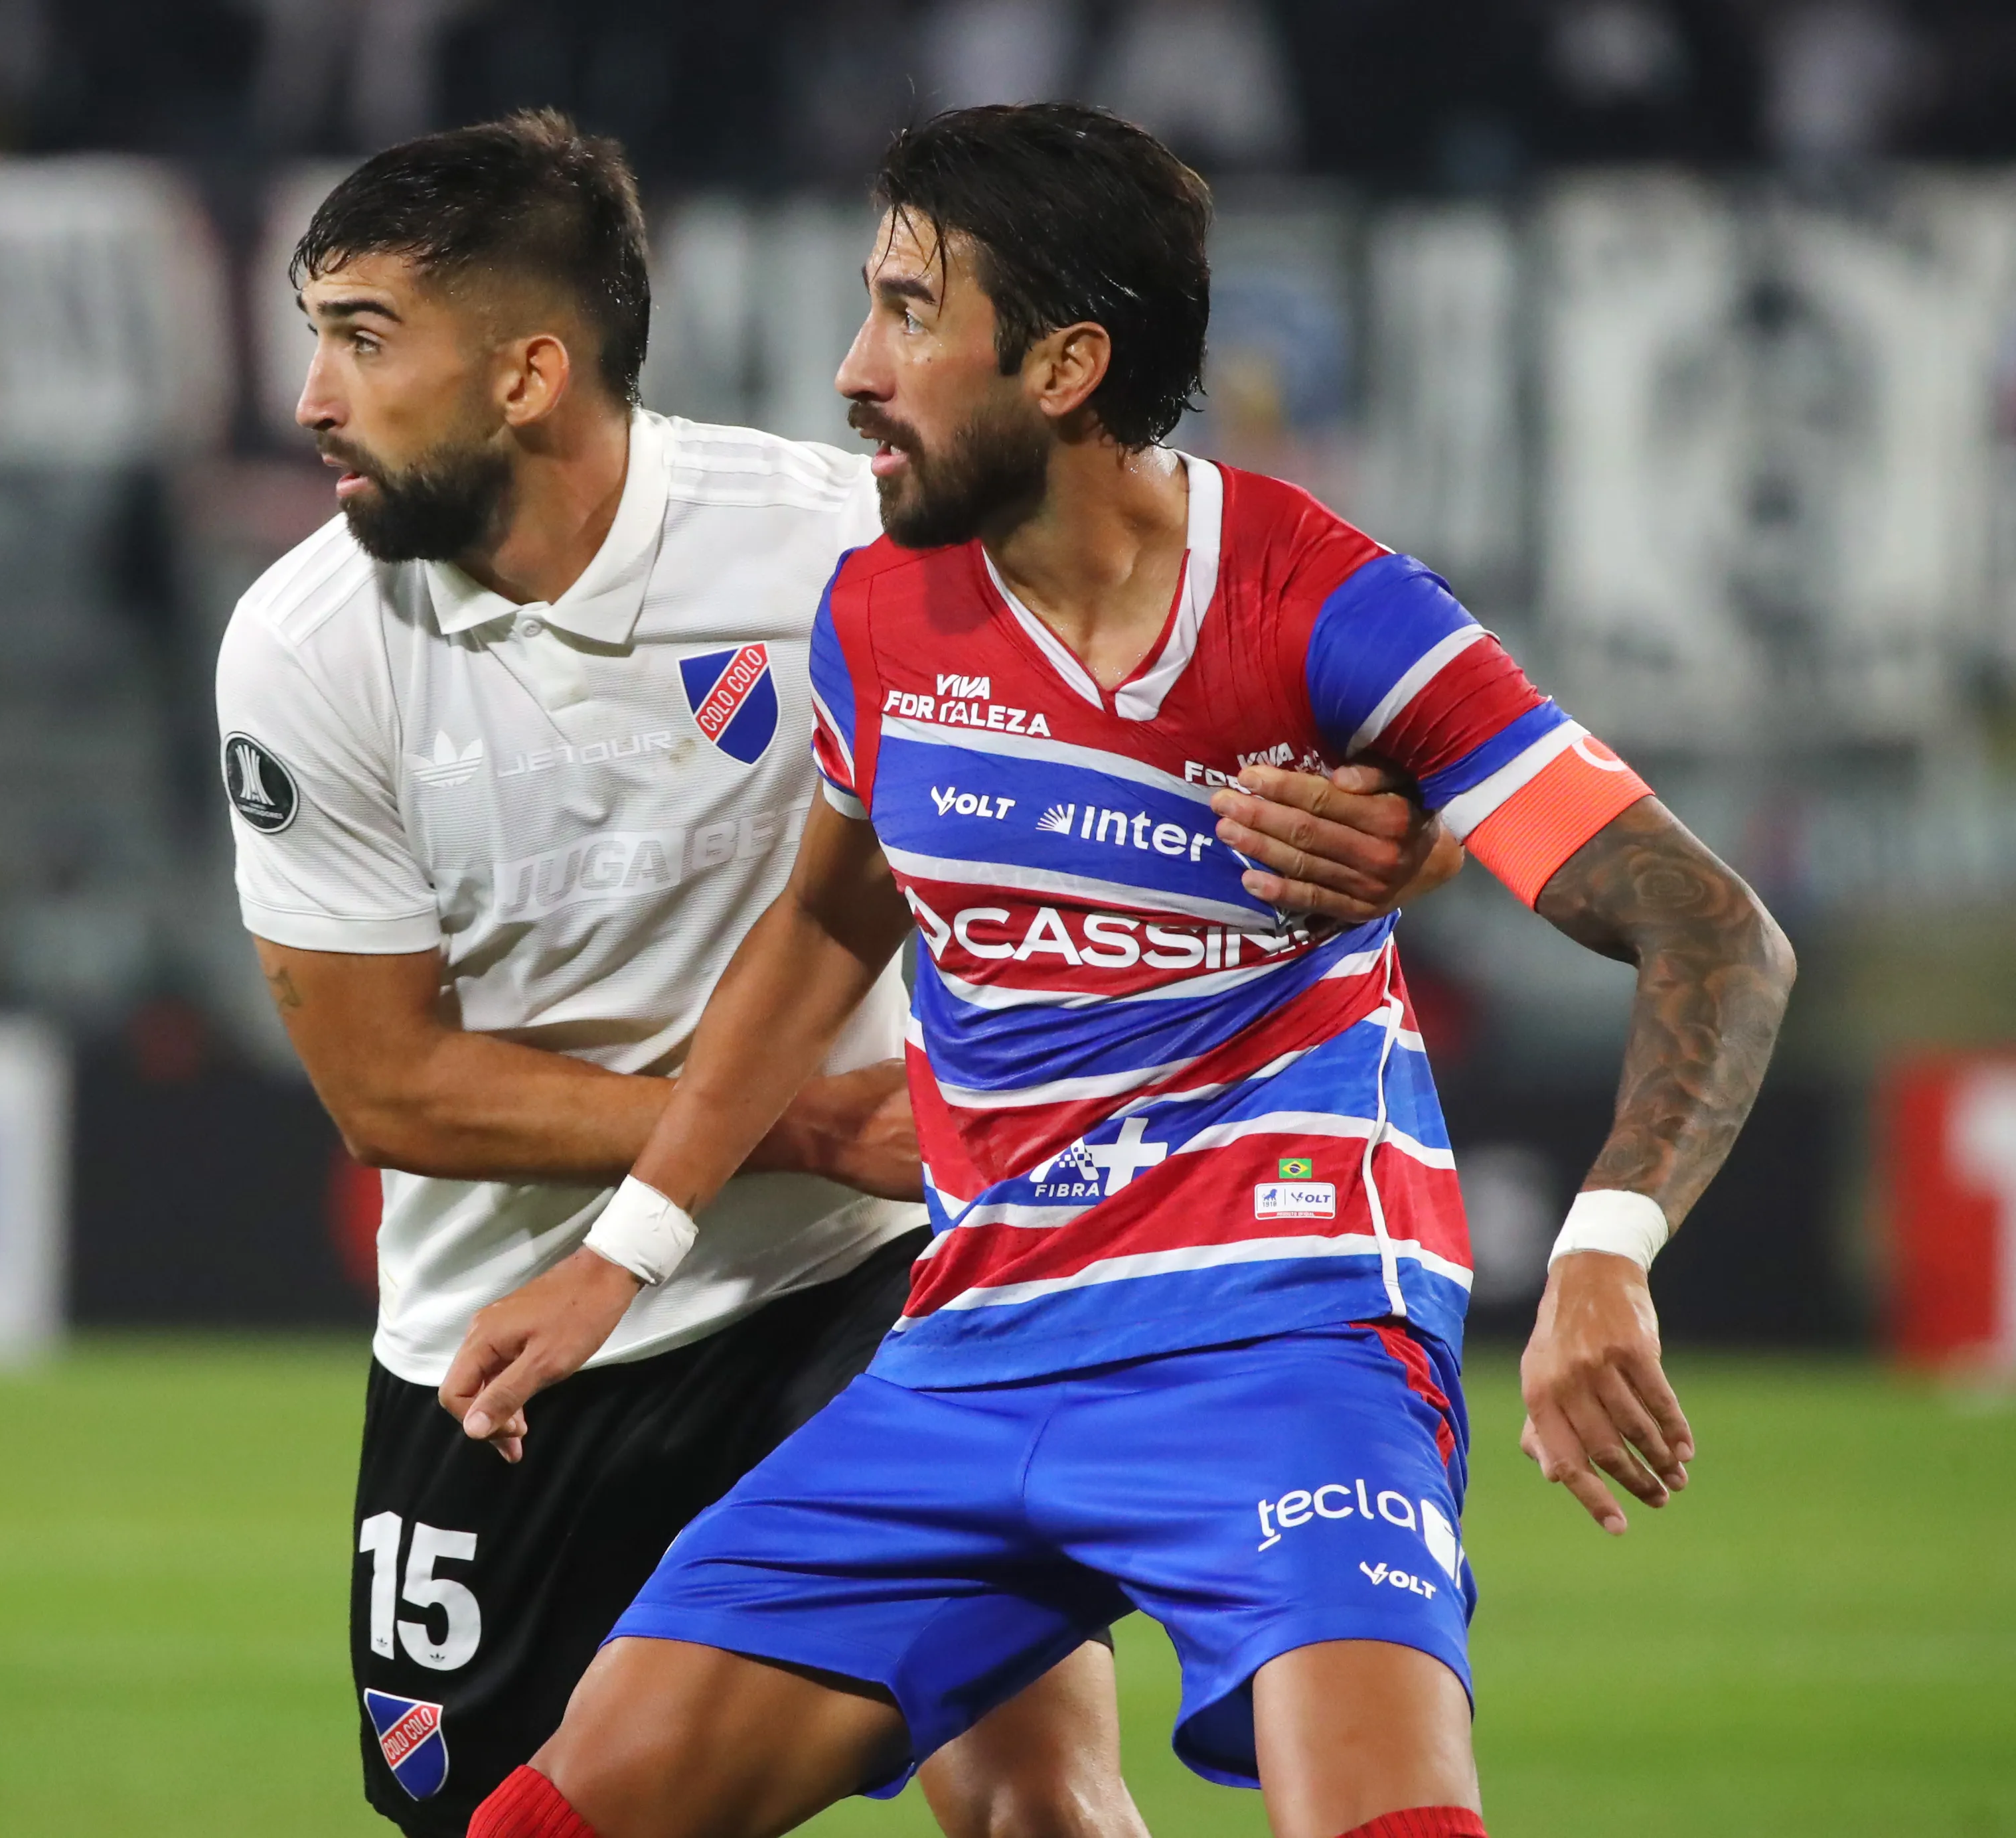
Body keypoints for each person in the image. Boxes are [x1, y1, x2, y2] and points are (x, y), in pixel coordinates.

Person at [445, 104, 1796, 1838]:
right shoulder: (880, 613)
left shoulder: (1326, 609)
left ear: (1069, 362)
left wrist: (1608, 1254)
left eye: (912, 313)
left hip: (1286, 1337)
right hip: (972, 1345)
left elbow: (1711, 928)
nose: (857, 367)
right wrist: (628, 1249)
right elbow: (828, 923)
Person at [214, 111, 1458, 1838]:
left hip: (874, 1285)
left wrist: (1408, 832)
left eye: (360, 339)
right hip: (514, 1333)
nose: (310, 400)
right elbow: (385, 1087)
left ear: (526, 374)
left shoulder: (838, 544)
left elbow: (1231, 675)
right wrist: (795, 1127)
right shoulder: (302, 650)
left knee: (1032, 1787)